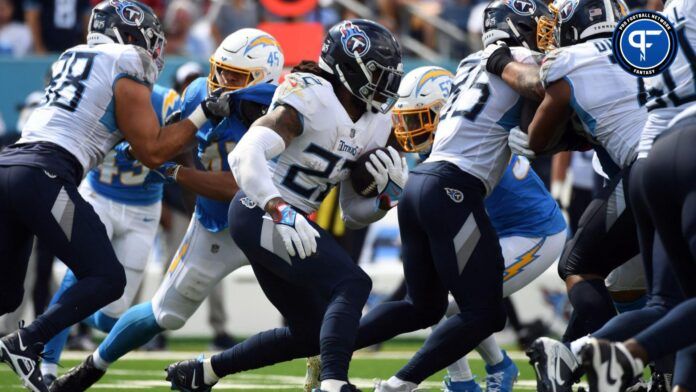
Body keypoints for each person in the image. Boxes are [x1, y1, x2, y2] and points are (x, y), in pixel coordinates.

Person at [307, 3, 555, 391]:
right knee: (479, 310)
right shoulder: (516, 67)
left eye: (421, 118)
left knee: (430, 304)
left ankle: (333, 350)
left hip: (516, 224)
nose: (409, 130)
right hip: (456, 191)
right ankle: (400, 383)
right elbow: (539, 94)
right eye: (406, 120)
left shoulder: (472, 65)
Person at [0, 1, 233, 390]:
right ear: (127, 35)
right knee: (107, 277)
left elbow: (95, 120)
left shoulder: (74, 55)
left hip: (10, 167)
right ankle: (28, 340)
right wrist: (203, 112)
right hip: (44, 173)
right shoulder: (127, 59)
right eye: (148, 39)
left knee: (6, 296)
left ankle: (28, 339)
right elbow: (154, 151)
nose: (153, 50)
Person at [165, 19, 404, 392]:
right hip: (258, 208)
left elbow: (351, 215)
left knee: (310, 333)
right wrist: (278, 208)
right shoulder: (312, 95)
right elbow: (245, 155)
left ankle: (204, 372)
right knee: (353, 283)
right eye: (378, 73)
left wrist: (385, 200)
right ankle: (334, 384)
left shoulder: (378, 122)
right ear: (348, 67)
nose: (387, 84)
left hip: (292, 220)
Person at [48, 28, 284, 392]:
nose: (220, 83)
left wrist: (175, 172)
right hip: (214, 224)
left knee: (319, 299)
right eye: (219, 71)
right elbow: (173, 136)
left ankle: (326, 374)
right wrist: (154, 148)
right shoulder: (197, 94)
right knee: (164, 314)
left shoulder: (283, 111)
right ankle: (91, 367)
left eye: (234, 77)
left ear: (263, 77)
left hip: (271, 217)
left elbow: (241, 186)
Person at [579, 0, 696, 388]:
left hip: (653, 159)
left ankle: (579, 352)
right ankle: (625, 353)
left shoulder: (651, 24)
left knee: (673, 302)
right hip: (691, 147)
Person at [39, 83, 180, 386]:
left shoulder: (167, 102)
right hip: (97, 196)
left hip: (143, 209)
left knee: (111, 317)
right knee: (75, 277)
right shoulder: (98, 97)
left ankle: (68, 311)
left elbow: (181, 147)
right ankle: (47, 367)